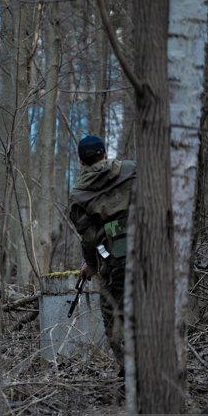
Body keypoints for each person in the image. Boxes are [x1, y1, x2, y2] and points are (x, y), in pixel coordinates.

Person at [68, 135, 136, 373]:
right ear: (105, 153)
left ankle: (130, 372)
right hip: (152, 251)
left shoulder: (79, 194)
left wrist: (92, 265)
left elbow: (90, 239)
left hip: (116, 262)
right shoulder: (132, 169)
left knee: (114, 315)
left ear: (81, 161)